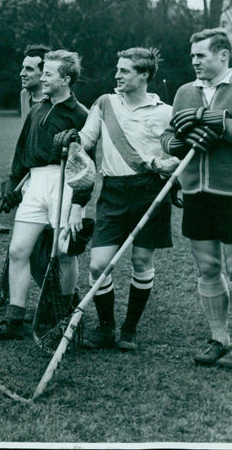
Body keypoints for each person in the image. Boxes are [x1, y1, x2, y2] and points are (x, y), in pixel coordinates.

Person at [56, 48, 178, 351]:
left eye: (124, 70)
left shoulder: (166, 111)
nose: (117, 75)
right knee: (98, 264)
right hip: (113, 191)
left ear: (144, 75)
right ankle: (106, 328)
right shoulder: (104, 103)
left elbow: (177, 155)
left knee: (141, 260)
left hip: (152, 191)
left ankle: (129, 330)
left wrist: (167, 167)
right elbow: (86, 139)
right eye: (118, 69)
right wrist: (72, 140)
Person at [161, 28, 232, 369]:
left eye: (201, 55)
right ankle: (218, 339)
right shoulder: (183, 91)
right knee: (208, 268)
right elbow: (167, 137)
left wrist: (214, 121)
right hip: (196, 193)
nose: (194, 61)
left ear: (223, 55)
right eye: (192, 55)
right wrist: (182, 141)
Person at [0, 50, 89, 341]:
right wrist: (11, 187)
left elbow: (87, 167)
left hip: (64, 182)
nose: (42, 77)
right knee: (18, 250)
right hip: (35, 183)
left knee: (64, 254)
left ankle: (63, 316)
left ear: (66, 79)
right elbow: (20, 154)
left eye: (48, 73)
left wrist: (79, 202)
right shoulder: (38, 108)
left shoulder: (81, 115)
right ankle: (14, 320)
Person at [0, 45, 50, 236]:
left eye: (29, 69)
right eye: (23, 68)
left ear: (44, 73)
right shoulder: (25, 95)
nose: (22, 73)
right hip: (27, 160)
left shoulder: (53, 101)